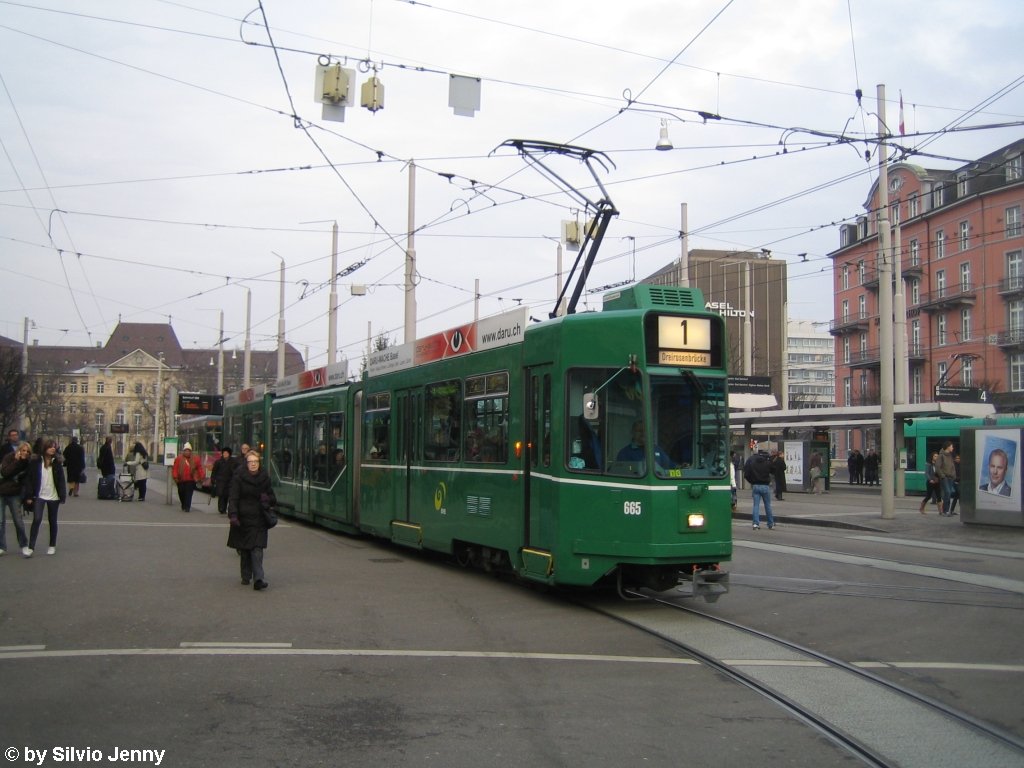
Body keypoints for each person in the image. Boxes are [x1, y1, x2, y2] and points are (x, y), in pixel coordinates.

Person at [227, 450, 276, 591]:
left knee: (257, 548)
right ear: (246, 463)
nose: (253, 464)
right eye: (251, 462)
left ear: (259, 463)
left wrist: (267, 499)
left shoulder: (264, 477)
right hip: (243, 519)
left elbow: (273, 498)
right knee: (246, 549)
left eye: (256, 462)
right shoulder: (238, 478)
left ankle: (259, 579)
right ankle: (245, 575)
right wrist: (233, 515)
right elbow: (234, 498)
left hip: (260, 518)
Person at [22, 438, 67, 557]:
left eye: (54, 447)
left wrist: (62, 495)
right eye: (50, 446)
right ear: (45, 448)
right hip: (39, 495)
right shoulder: (36, 462)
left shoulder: (57, 463)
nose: (53, 449)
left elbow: (61, 480)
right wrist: (29, 495)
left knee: (52, 521)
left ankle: (52, 545)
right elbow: (30, 479)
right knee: (37, 519)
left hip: (53, 496)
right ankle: (31, 547)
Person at [0, 442, 31, 555]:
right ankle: (2, 546)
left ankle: (24, 545)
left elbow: (27, 480)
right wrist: (17, 461)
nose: (25, 453)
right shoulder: (9, 457)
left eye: (27, 451)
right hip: (2, 491)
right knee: (0, 521)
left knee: (18, 521)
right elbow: (5, 472)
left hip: (15, 493)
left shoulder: (27, 463)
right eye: (23, 450)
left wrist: (28, 496)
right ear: (19, 450)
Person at [743, 451, 774, 530]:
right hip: (765, 486)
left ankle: (756, 524)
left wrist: (752, 482)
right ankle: (770, 523)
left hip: (756, 485)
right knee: (768, 505)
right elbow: (773, 470)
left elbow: (747, 474)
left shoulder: (753, 464)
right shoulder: (767, 463)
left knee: (756, 506)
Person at [171, 442, 205, 512]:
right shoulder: (178, 459)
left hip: (191, 480)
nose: (187, 452)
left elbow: (199, 468)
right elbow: (175, 468)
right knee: (181, 493)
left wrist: (202, 476)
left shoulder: (196, 459)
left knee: (188, 494)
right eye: (186, 451)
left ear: (190, 451)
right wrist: (175, 477)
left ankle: (187, 507)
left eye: (188, 451)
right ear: (183, 451)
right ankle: (183, 504)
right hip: (180, 480)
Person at [210, 447, 238, 515]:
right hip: (220, 481)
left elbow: (235, 471)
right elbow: (214, 472)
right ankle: (221, 509)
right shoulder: (218, 462)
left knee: (227, 496)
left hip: (229, 482)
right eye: (224, 453)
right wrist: (213, 479)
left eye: (226, 453)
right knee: (221, 495)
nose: (225, 454)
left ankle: (225, 508)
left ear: (229, 454)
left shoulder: (233, 462)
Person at [935, 440, 957, 516]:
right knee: (947, 492)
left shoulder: (950, 455)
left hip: (951, 477)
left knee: (949, 493)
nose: (953, 448)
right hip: (945, 477)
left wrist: (954, 475)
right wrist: (942, 476)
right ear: (948, 447)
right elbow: (937, 467)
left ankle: (947, 510)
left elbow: (952, 466)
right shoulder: (941, 456)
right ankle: (945, 511)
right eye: (951, 446)